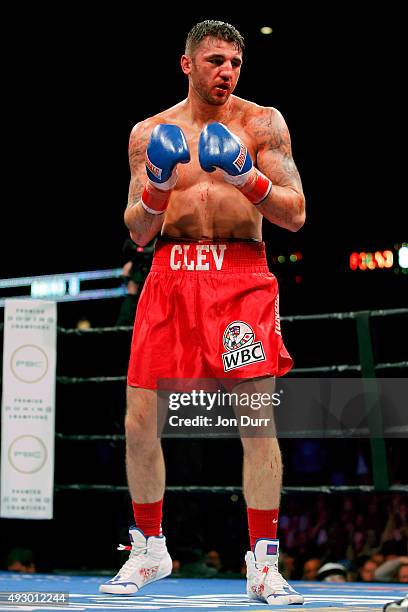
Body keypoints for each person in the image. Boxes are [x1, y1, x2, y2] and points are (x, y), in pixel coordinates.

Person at [100, 19, 305, 606]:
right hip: (171, 274)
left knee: (256, 423)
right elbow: (138, 231)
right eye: (215, 61)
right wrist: (158, 187)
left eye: (235, 64)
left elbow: (295, 214)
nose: (227, 73)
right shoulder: (149, 133)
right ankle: (150, 548)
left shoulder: (262, 123)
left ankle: (263, 561)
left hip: (241, 279)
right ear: (187, 64)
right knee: (140, 420)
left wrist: (249, 177)